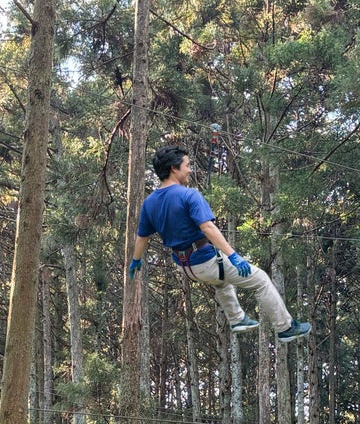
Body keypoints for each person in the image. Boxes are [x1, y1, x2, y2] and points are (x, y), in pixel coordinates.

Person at [129, 145, 310, 343]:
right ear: (174, 168)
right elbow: (207, 227)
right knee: (261, 280)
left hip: (185, 266)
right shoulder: (189, 195)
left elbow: (142, 237)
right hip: (204, 261)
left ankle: (237, 318)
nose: (190, 169)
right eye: (187, 165)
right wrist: (233, 255)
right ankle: (285, 328)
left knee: (221, 280)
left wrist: (136, 260)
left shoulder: (149, 202)